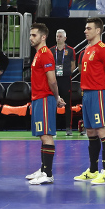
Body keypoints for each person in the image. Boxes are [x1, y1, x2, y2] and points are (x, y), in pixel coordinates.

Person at [72, 18, 105, 185]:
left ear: (98, 31)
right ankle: (92, 170)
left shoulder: (103, 49)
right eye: (85, 28)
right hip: (87, 94)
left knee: (102, 131)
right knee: (90, 132)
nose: (85, 31)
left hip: (99, 93)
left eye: (89, 28)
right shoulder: (87, 49)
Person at [23, 25, 66, 185]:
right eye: (30, 35)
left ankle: (48, 173)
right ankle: (43, 169)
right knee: (43, 135)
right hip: (38, 98)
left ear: (43, 37)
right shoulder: (38, 55)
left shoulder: (46, 54)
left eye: (34, 35)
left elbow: (52, 80)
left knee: (47, 135)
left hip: (45, 98)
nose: (30, 38)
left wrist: (56, 97)